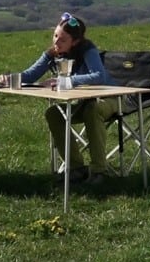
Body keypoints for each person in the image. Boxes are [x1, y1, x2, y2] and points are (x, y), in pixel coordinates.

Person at [17, 12, 115, 184]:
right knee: (53, 113)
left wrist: (67, 81)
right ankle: (76, 168)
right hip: (82, 103)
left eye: (62, 39)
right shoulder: (52, 54)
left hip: (109, 99)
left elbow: (98, 76)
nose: (56, 42)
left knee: (92, 111)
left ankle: (99, 170)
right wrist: (11, 78)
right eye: (55, 36)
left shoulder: (88, 50)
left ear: (75, 41)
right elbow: (30, 75)